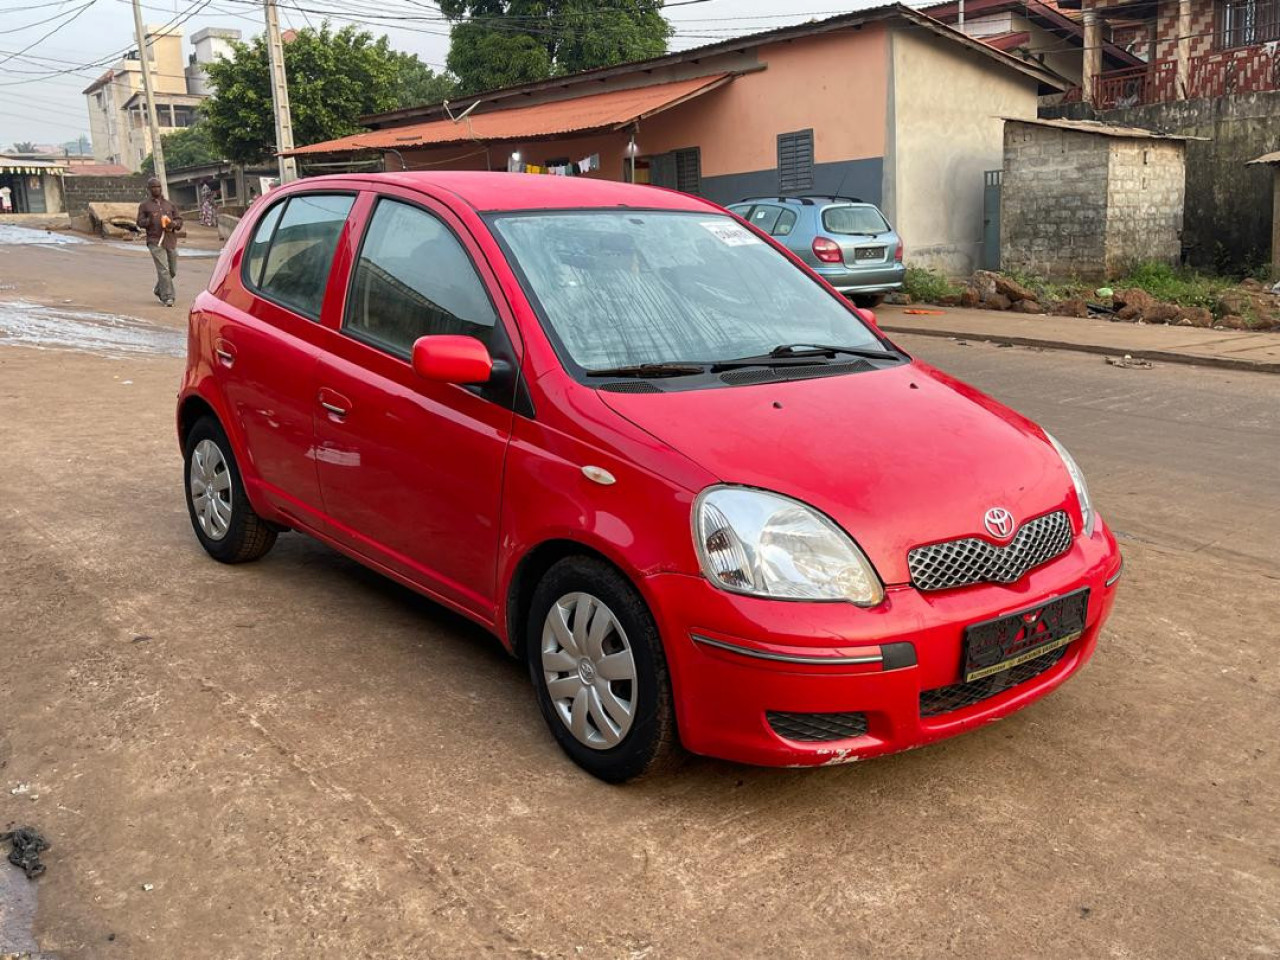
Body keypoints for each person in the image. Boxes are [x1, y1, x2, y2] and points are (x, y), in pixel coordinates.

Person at [136, 177, 183, 307]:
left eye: (158, 187)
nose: (156, 189)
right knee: (163, 269)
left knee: (172, 270)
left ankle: (158, 289)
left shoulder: (170, 205)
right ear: (149, 189)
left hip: (170, 240)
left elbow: (179, 221)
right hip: (155, 241)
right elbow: (139, 223)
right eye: (153, 187)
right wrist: (149, 220)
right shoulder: (144, 206)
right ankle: (168, 297)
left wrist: (173, 224)